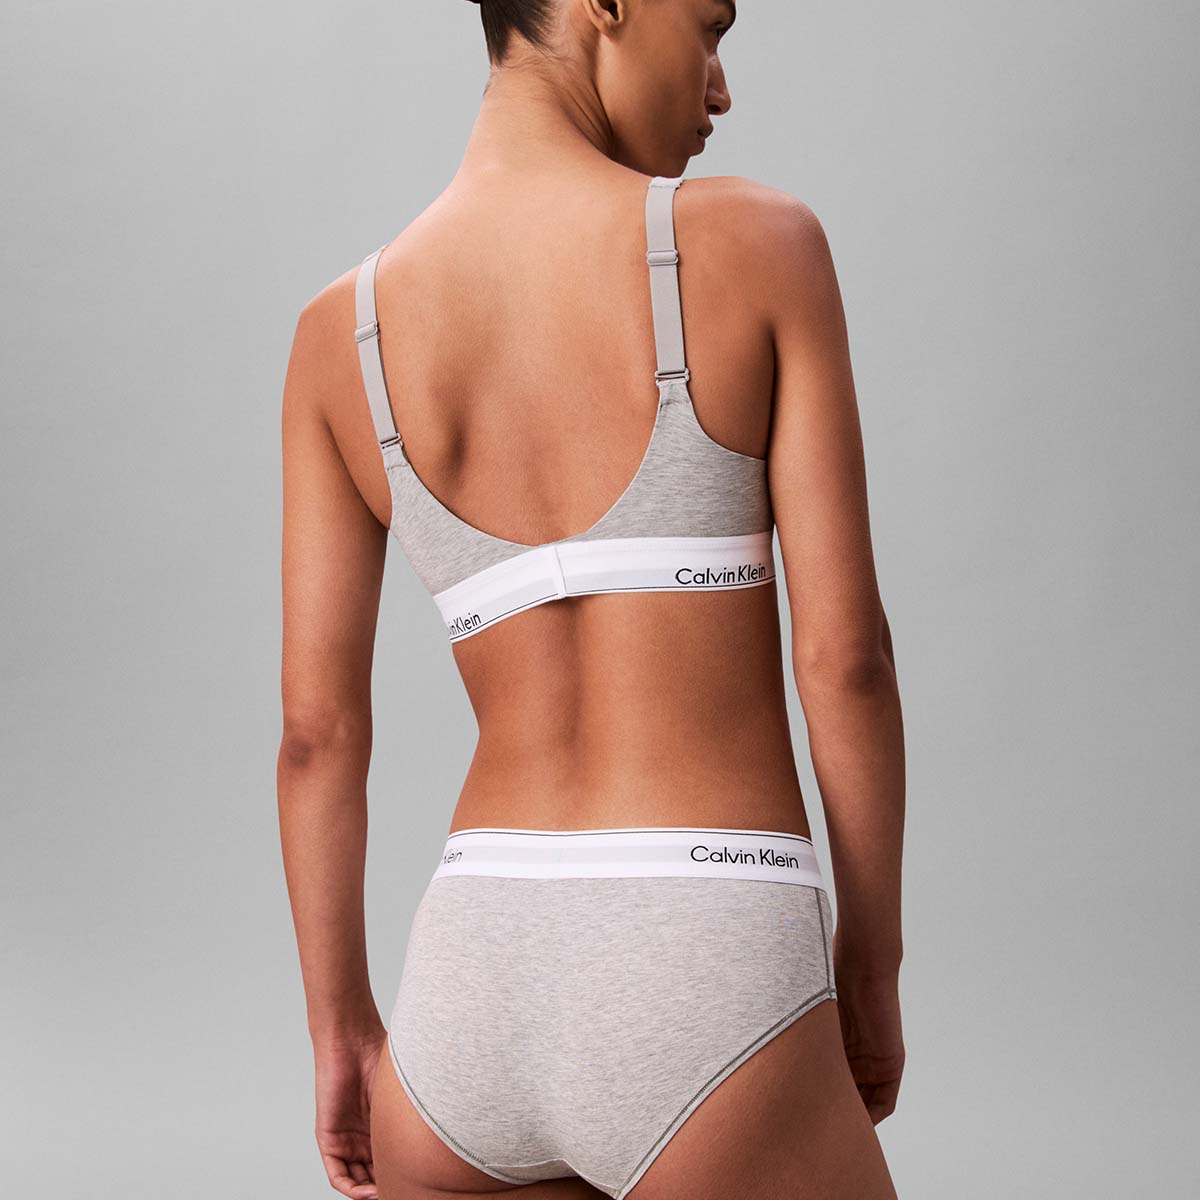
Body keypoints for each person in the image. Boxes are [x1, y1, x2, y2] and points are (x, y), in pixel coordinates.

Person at [277, 2, 906, 1197]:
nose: (719, 88)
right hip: (709, 955)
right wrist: (870, 966)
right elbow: (845, 660)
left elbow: (317, 736)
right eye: (710, 29)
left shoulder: (336, 337)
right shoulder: (758, 245)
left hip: (468, 980)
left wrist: (340, 1027)